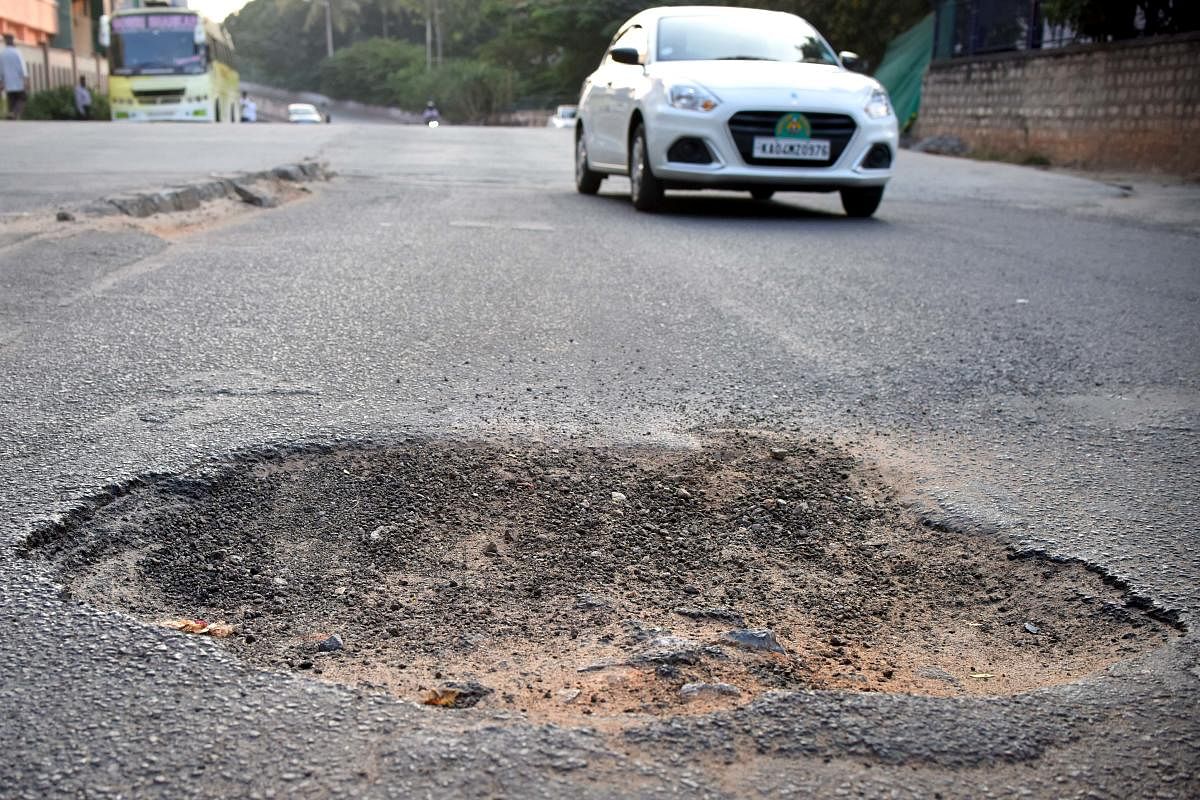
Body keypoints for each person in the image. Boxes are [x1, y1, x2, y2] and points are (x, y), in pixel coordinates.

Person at [1, 34, 28, 120]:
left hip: (8, 82)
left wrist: (1, 81)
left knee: (11, 100)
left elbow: (0, 69)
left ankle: (12, 115)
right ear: (13, 41)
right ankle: (14, 113)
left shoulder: (2, 54)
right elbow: (22, 67)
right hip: (18, 80)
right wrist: (25, 80)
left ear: (5, 42)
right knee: (22, 98)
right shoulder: (17, 52)